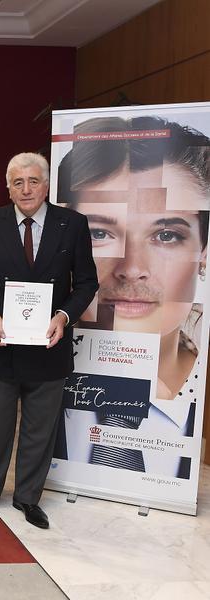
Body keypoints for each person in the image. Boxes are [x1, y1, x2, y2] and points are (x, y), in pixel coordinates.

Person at [54, 115, 208, 477]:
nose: (130, 267)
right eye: (99, 234)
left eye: (167, 234)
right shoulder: (43, 389)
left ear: (204, 252)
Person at [0, 152, 98, 529]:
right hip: (1, 345)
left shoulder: (73, 224)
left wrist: (63, 316)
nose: (26, 189)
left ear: (47, 185)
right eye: (18, 182)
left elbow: (87, 282)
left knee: (40, 429)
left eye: (33, 181)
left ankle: (27, 497)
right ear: (8, 188)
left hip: (49, 349)